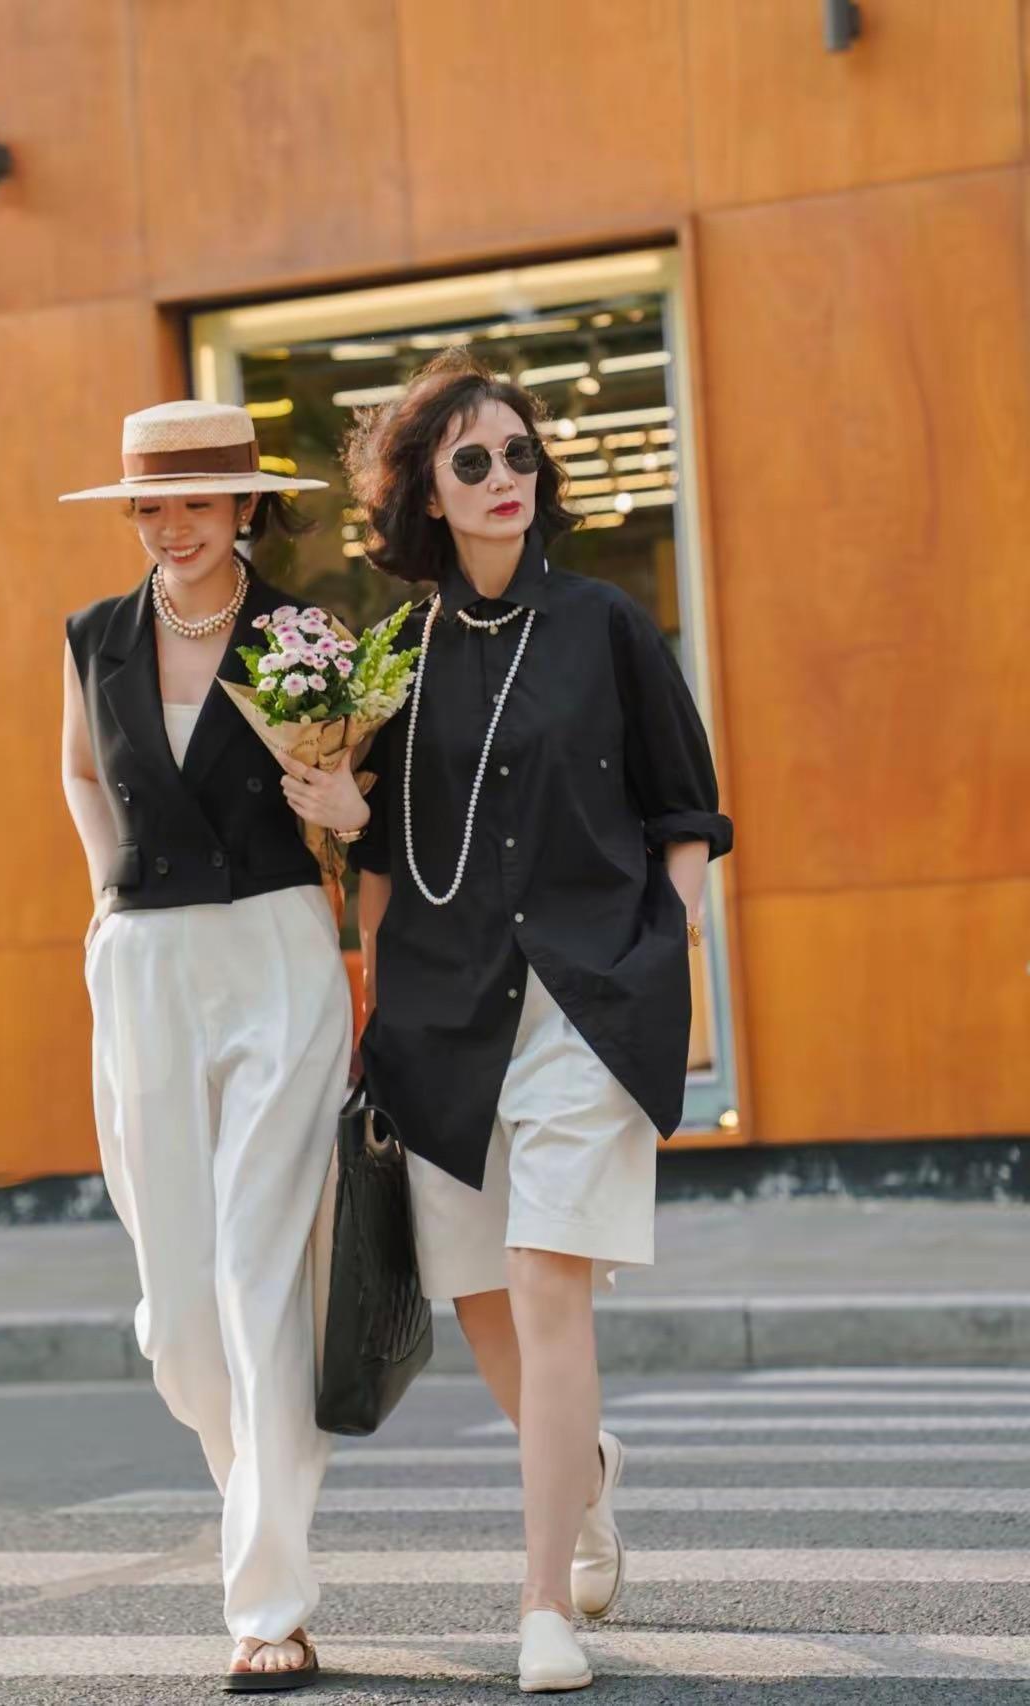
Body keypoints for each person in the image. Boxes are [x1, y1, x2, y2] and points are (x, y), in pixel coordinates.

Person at [291, 352, 733, 1693]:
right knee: (483, 1301)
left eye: (520, 455)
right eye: (471, 460)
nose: (502, 479)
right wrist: (344, 834)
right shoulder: (393, 657)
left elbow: (688, 807)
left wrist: (665, 943)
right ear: (427, 490)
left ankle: (543, 1606)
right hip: (441, 1019)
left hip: (585, 1006)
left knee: (548, 1287)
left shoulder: (604, 626)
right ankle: (582, 1474)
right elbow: (378, 864)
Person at [59, 401, 353, 1691]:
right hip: (145, 966)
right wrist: (105, 892)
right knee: (179, 1314)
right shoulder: (95, 637)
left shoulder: (304, 634)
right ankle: (258, 1509)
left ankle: (267, 1598)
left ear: (244, 507)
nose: (170, 526)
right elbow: (82, 773)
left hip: (277, 952)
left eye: (195, 502)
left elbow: (350, 805)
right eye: (149, 505)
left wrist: (343, 807)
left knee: (259, 1275)